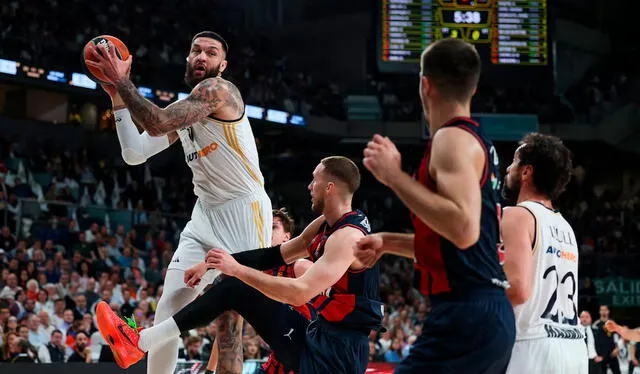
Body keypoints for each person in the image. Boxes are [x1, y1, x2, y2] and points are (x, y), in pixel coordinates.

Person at [86, 31, 272, 374]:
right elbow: (134, 153)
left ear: (223, 65)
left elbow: (156, 123)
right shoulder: (186, 110)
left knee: (229, 326)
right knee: (167, 311)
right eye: (195, 50)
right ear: (187, 58)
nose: (202, 57)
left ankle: (137, 342)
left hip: (244, 212)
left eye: (211, 53)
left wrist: (122, 80)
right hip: (205, 214)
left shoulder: (219, 92)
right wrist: (117, 96)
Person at [96, 156, 383, 374]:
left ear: (330, 187)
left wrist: (235, 269)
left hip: (338, 353)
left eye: (314, 180)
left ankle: (141, 342)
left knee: (237, 283)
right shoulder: (325, 224)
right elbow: (275, 254)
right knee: (234, 287)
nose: (309, 186)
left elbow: (299, 293)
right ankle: (140, 342)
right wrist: (214, 265)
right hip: (319, 334)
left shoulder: (347, 238)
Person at [354, 37, 515, 373]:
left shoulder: (451, 138)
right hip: (487, 310)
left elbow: (462, 230)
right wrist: (388, 241)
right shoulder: (478, 141)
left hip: (466, 311)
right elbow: (459, 249)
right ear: (473, 88)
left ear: (424, 85)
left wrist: (394, 176)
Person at [498, 133, 586, 373]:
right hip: (574, 348)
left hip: (532, 346)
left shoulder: (517, 215)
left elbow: (517, 290)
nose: (508, 168)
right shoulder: (565, 227)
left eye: (514, 162)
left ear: (526, 172)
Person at [204, 208, 312, 374]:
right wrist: (209, 371)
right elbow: (227, 332)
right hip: (282, 359)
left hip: (313, 354)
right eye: (263, 226)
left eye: (273, 227)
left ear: (287, 237)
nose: (266, 231)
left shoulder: (299, 266)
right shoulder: (250, 274)